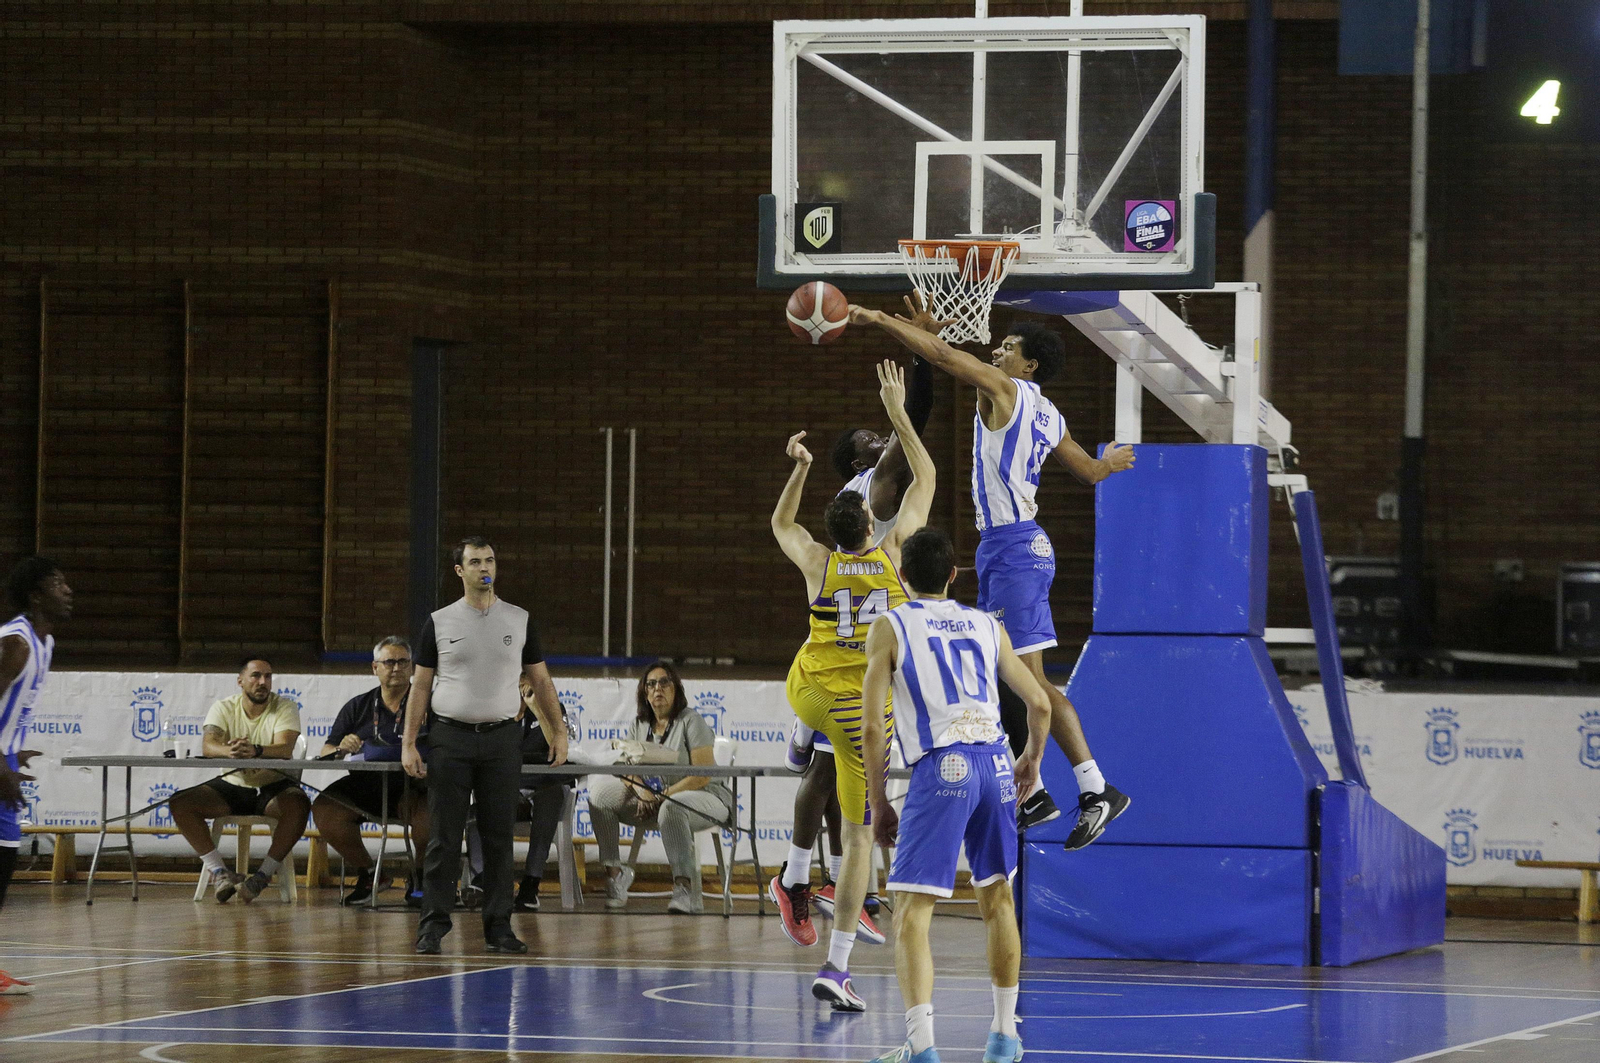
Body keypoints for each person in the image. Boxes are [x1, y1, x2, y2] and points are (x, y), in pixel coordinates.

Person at [851, 297, 1135, 846]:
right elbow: (1087, 472)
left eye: (1008, 349)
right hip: (1018, 548)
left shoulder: (1006, 390)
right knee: (1006, 676)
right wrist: (1110, 464)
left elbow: (943, 354)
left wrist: (882, 321)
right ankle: (1048, 795)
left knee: (1026, 683)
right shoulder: (1050, 414)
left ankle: (1092, 790)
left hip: (1013, 549)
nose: (996, 352)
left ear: (1028, 367)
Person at [770, 360, 935, 1012]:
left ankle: (798, 736)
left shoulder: (818, 559)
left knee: (814, 715)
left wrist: (801, 467)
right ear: (871, 523)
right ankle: (838, 961)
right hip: (859, 707)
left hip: (807, 686)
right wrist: (899, 414)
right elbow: (924, 476)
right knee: (861, 831)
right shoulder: (895, 561)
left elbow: (783, 525)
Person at [861, 526, 1053, 1063]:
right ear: (953, 574)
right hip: (995, 764)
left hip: (941, 765)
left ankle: (921, 1048)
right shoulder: (986, 625)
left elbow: (873, 728)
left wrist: (879, 803)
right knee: (998, 901)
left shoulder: (890, 626)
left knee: (912, 913)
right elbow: (1040, 703)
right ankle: (1003, 1038)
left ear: (902, 575)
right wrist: (1030, 761)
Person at [402, 536, 567, 956]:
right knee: (443, 837)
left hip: (501, 741)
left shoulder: (519, 619)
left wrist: (559, 731)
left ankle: (499, 927)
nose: (484, 567)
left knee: (498, 837)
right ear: (460, 571)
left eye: (490, 559)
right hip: (449, 738)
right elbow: (420, 684)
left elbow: (542, 680)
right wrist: (409, 742)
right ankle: (433, 927)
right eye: (474, 561)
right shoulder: (439, 621)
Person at [587, 663, 732, 914]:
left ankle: (684, 888)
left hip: (705, 797)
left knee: (671, 808)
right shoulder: (639, 725)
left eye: (664, 682)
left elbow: (702, 775)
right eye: (651, 684)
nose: (658, 689)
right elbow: (628, 767)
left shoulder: (691, 721)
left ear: (676, 689)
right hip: (656, 798)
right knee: (599, 795)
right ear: (644, 693)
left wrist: (661, 797)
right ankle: (615, 874)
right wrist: (642, 791)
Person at [168, 656, 311, 904]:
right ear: (240, 681)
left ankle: (262, 876)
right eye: (256, 676)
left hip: (273, 786)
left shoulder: (286, 706)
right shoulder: (223, 707)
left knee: (299, 804)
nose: (263, 682)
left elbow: (285, 749)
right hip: (232, 785)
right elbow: (209, 744)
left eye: (268, 676)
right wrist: (231, 751)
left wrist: (255, 750)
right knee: (180, 802)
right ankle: (220, 873)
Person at [310, 636, 430, 907]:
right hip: (367, 786)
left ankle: (420, 879)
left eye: (403, 662)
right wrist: (342, 747)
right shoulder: (358, 706)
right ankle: (369, 874)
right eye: (389, 662)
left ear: (412, 668)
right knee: (326, 810)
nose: (396, 668)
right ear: (375, 668)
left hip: (414, 786)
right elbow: (328, 750)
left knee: (429, 821)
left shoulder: (428, 703)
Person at [0, 556, 71, 996]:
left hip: (3, 760)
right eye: (58, 583)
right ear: (34, 596)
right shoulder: (17, 643)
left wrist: (12, 748)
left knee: (3, 866)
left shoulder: (44, 643)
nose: (68, 590)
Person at [462, 675, 577, 913]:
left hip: (544, 788)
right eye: (515, 676)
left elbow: (559, 749)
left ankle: (531, 884)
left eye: (526, 676)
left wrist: (535, 707)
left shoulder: (552, 708)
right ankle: (481, 881)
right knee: (476, 811)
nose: (521, 682)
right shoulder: (494, 714)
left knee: (551, 796)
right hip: (508, 790)